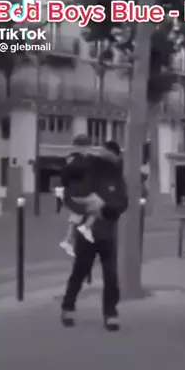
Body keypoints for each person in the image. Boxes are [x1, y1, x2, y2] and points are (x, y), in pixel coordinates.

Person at [60, 140, 128, 331]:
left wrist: (105, 210)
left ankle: (111, 313)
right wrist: (86, 210)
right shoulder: (87, 171)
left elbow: (123, 203)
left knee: (111, 275)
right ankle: (68, 307)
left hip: (108, 232)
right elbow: (70, 195)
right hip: (86, 235)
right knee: (80, 271)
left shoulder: (117, 178)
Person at [58, 134, 102, 257]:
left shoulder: (73, 158)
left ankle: (67, 241)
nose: (89, 149)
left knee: (76, 216)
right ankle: (86, 227)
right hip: (78, 192)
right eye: (88, 147)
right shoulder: (78, 160)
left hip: (74, 193)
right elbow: (71, 174)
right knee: (99, 204)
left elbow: (64, 177)